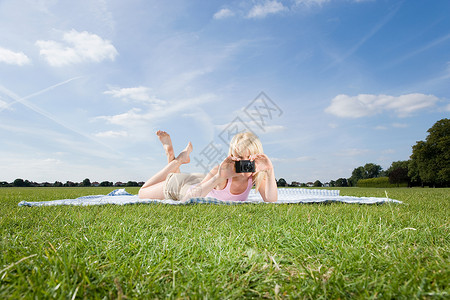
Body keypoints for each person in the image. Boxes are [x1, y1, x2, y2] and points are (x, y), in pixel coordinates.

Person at [138, 130, 277, 202]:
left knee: (179, 176)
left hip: (200, 182)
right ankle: (176, 159)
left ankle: (175, 157)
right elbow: (188, 199)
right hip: (181, 187)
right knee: (142, 192)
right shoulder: (221, 171)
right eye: (240, 158)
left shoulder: (256, 176)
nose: (245, 163)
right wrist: (219, 177)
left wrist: (270, 172)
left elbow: (271, 200)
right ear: (232, 156)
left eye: (250, 158)